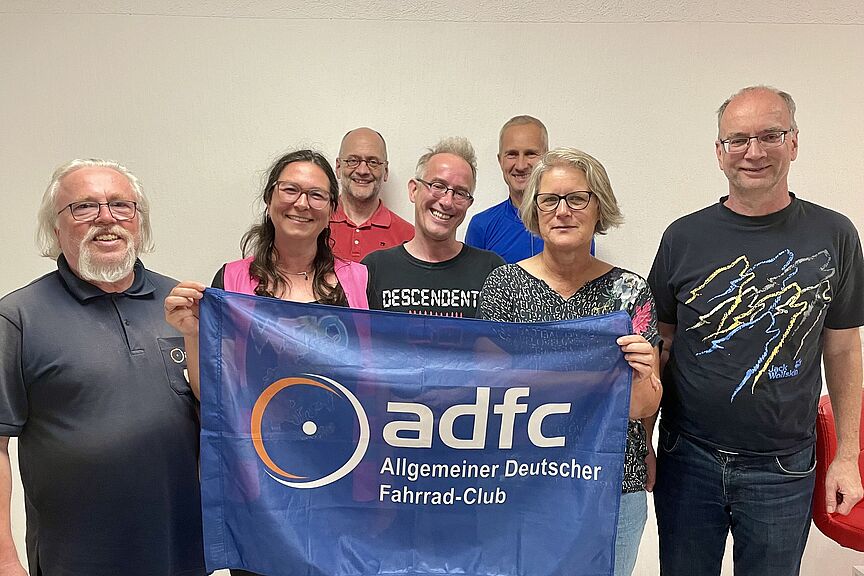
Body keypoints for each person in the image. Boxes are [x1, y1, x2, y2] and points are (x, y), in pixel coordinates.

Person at [648, 85, 864, 576]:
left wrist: (848, 456)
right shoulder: (683, 236)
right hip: (688, 457)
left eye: (770, 135)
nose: (754, 152)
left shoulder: (834, 235)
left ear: (794, 142)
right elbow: (659, 345)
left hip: (782, 467)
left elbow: (844, 350)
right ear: (719, 151)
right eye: (739, 139)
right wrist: (643, 442)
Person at [165, 150, 368, 576]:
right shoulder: (231, 281)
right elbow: (211, 391)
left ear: (332, 209)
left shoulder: (360, 280)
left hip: (341, 474)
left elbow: (375, 376)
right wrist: (192, 334)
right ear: (270, 198)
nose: (302, 203)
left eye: (317, 195)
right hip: (258, 479)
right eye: (290, 189)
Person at [0, 159, 206, 576]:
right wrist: (5, 560)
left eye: (121, 205)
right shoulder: (18, 317)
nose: (106, 218)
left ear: (139, 223)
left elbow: (219, 414)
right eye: (84, 207)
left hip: (182, 555)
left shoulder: (184, 305)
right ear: (55, 228)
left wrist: (198, 338)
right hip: (75, 560)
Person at [477, 147, 662, 576]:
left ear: (599, 207)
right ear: (534, 210)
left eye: (577, 198)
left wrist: (640, 374)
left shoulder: (630, 292)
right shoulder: (504, 287)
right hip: (524, 482)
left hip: (613, 483)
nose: (563, 211)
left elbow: (642, 406)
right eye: (549, 200)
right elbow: (487, 392)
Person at [362, 137, 504, 317]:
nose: (447, 201)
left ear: (469, 204)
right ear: (414, 190)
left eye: (460, 193)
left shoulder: (491, 270)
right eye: (438, 186)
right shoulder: (374, 269)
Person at [466, 115, 548, 263]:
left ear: (546, 158)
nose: (521, 165)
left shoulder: (567, 221)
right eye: (512, 155)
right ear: (500, 160)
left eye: (530, 154)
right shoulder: (482, 226)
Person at [330, 128, 414, 261]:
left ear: (385, 171)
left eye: (373, 162)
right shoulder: (315, 225)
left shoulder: (409, 237)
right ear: (338, 167)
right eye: (353, 161)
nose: (362, 171)